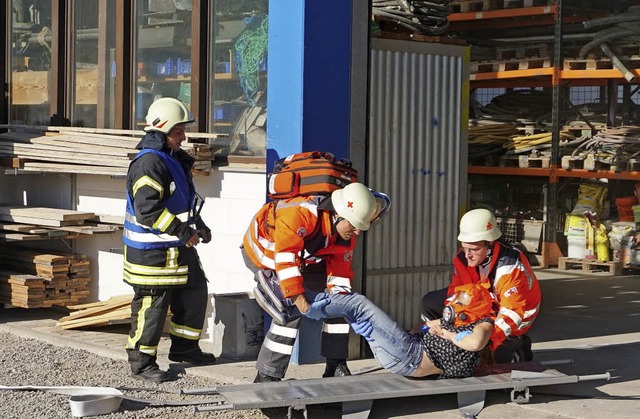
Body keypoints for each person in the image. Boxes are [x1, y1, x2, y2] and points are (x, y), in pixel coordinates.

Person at [241, 182, 391, 382]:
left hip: (302, 259)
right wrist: (303, 305)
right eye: (354, 225)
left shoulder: (344, 234)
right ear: (338, 214)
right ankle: (267, 375)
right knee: (290, 309)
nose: (357, 232)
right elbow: (285, 261)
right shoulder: (299, 214)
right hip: (265, 255)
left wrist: (345, 306)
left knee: (338, 304)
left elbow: (340, 277)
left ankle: (336, 364)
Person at [122, 97, 216, 383]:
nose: (184, 137)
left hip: (175, 247)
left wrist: (198, 225)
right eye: (179, 132)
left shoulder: (170, 159)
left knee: (195, 292)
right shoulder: (149, 163)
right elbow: (148, 209)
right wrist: (183, 232)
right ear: (161, 131)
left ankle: (185, 349)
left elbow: (181, 203)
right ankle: (141, 362)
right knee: (152, 306)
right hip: (151, 253)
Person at [258, 274, 496, 379]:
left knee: (359, 305)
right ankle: (292, 300)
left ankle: (297, 299)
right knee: (357, 315)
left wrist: (445, 332)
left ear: (476, 310)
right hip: (406, 352)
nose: (455, 305)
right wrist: (430, 328)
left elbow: (475, 343)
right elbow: (428, 324)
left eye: (462, 303)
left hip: (410, 356)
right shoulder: (458, 325)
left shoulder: (483, 325)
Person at [421, 208, 541, 364]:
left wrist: (486, 342)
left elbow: (511, 313)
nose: (467, 255)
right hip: (483, 306)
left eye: (474, 249)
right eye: (464, 247)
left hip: (511, 317)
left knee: (492, 362)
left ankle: (518, 347)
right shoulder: (463, 259)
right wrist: (451, 322)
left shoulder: (510, 267)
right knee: (430, 302)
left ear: (490, 244)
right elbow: (456, 293)